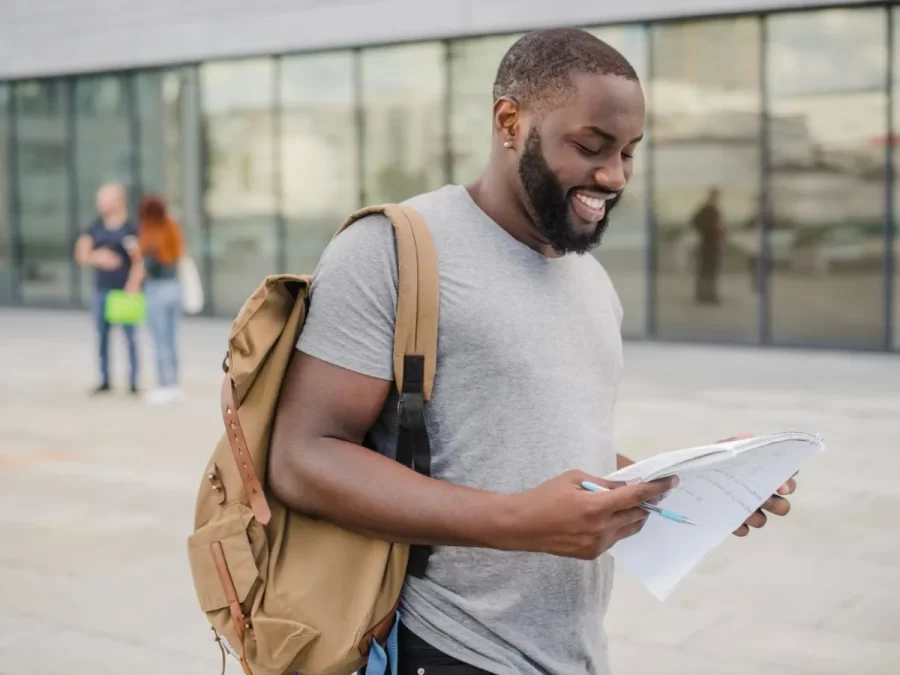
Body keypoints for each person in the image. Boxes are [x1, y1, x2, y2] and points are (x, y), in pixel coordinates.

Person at [268, 29, 799, 675]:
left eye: (629, 152)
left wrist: (700, 485)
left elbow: (546, 446)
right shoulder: (391, 248)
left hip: (573, 652)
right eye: (590, 146)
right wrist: (517, 520)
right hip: (444, 646)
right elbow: (302, 457)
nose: (612, 175)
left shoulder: (590, 280)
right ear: (510, 121)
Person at [74, 183, 143, 395]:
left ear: (118, 201)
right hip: (102, 290)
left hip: (124, 292)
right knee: (102, 337)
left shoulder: (131, 228)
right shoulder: (94, 227)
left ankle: (133, 382)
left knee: (130, 338)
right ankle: (105, 380)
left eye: (105, 199)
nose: (100, 203)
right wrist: (98, 258)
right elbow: (81, 254)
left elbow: (139, 260)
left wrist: (133, 284)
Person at [138, 195, 186, 404]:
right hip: (174, 287)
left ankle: (163, 385)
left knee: (159, 340)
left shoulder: (150, 231)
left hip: (157, 288)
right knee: (171, 340)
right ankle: (174, 384)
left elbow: (145, 259)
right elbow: (178, 253)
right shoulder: (172, 227)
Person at [691, 187, 725, 304]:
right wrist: (709, 230)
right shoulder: (707, 209)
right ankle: (704, 295)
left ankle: (708, 294)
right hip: (707, 243)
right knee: (706, 270)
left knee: (710, 270)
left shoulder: (713, 209)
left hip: (712, 243)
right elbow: (695, 222)